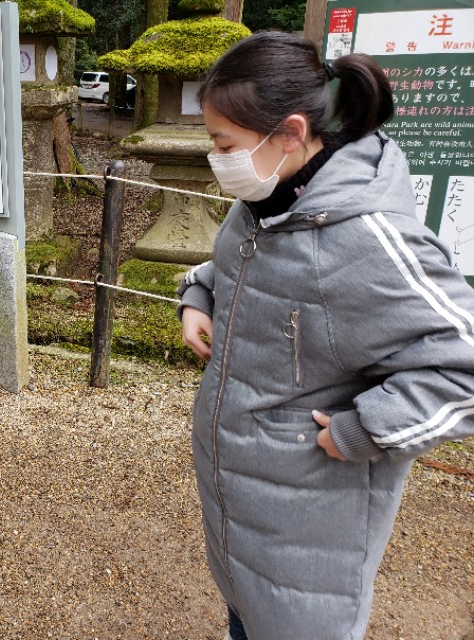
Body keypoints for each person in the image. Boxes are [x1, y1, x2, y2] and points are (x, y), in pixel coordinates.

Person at [177, 31, 474, 640]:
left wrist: (361, 430)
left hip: (309, 524)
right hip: (244, 504)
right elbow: (235, 267)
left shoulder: (364, 239)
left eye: (222, 143)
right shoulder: (268, 197)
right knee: (246, 615)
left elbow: (462, 363)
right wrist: (199, 297)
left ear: (288, 132)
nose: (216, 157)